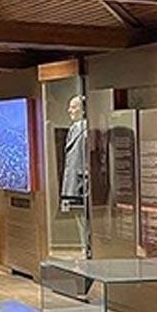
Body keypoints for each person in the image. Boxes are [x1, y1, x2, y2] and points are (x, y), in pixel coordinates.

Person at [61, 95, 90, 255]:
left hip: (81, 181)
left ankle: (88, 249)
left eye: (73, 107)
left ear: (83, 109)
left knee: (85, 218)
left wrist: (86, 177)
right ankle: (84, 247)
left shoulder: (86, 130)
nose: (69, 110)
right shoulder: (74, 128)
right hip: (73, 179)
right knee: (79, 216)